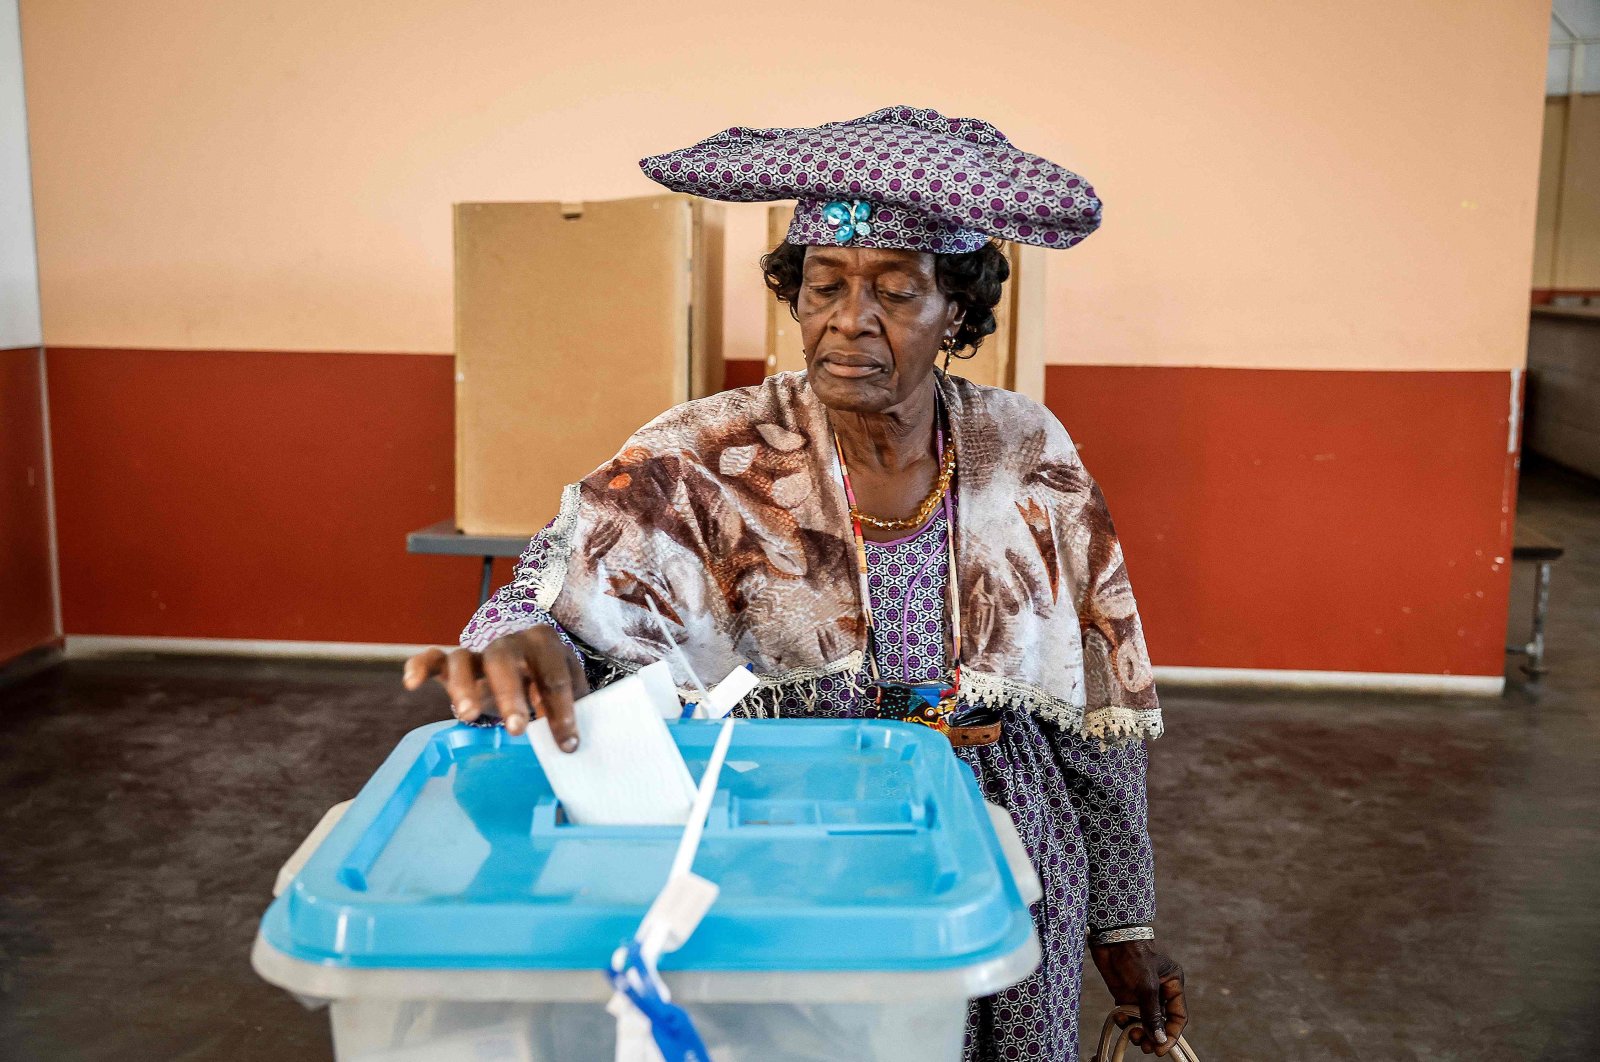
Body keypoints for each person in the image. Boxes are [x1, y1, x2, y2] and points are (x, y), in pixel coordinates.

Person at [404, 105, 1187, 1059]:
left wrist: (1123, 923)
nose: (850, 321)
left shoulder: (1027, 451)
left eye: (896, 292)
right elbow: (566, 587)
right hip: (787, 844)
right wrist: (524, 635)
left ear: (959, 314)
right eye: (824, 286)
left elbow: (1094, 705)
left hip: (1002, 859)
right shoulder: (710, 450)